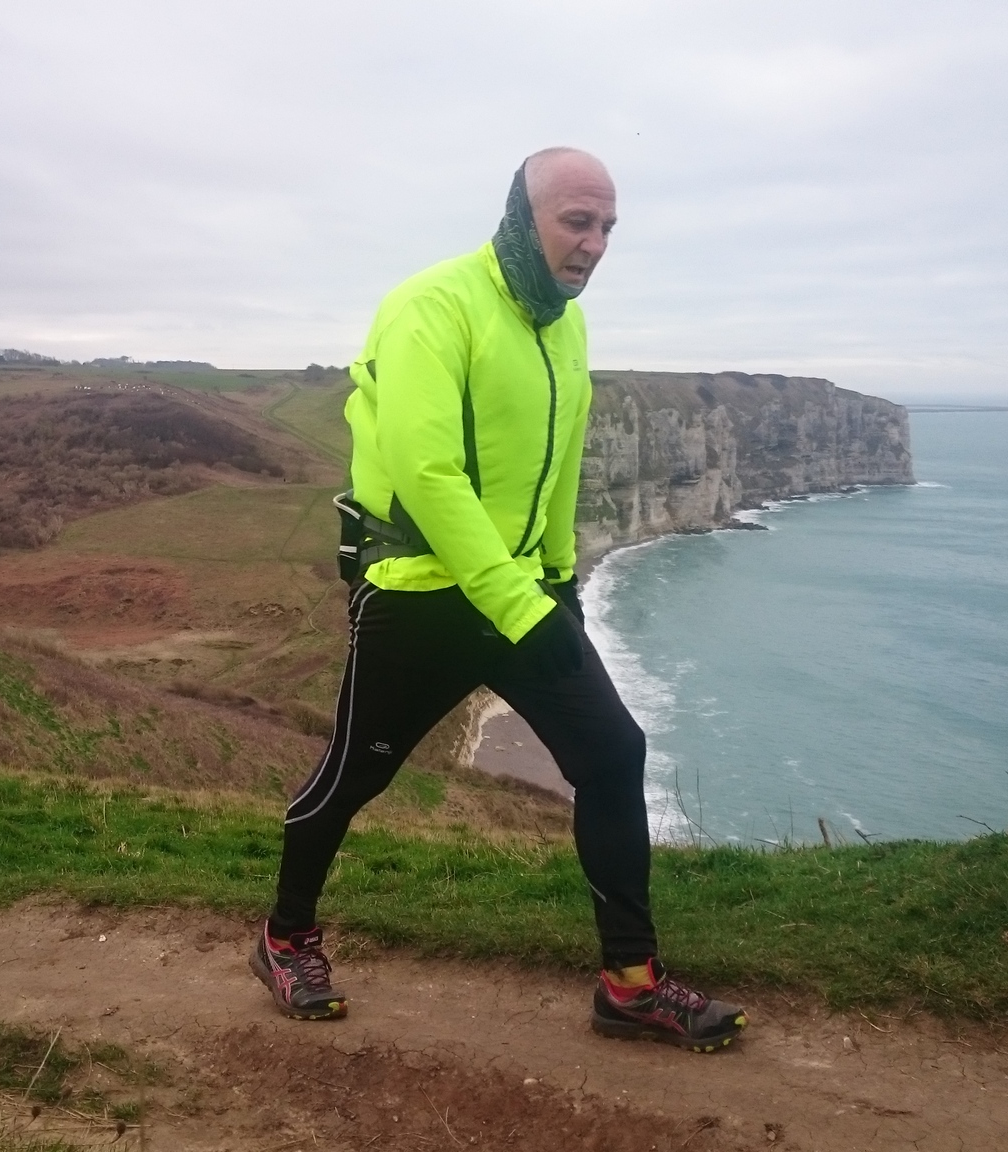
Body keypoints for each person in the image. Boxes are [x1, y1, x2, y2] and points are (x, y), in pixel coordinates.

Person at [249, 148, 748, 1053]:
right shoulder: (431, 306)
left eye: (607, 228)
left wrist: (558, 580)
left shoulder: (564, 325)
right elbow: (428, 473)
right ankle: (285, 940)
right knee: (356, 775)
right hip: (418, 595)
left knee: (613, 753)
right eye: (576, 222)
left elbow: (559, 463)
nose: (595, 244)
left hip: (517, 591)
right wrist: (520, 607)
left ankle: (630, 985)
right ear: (522, 217)